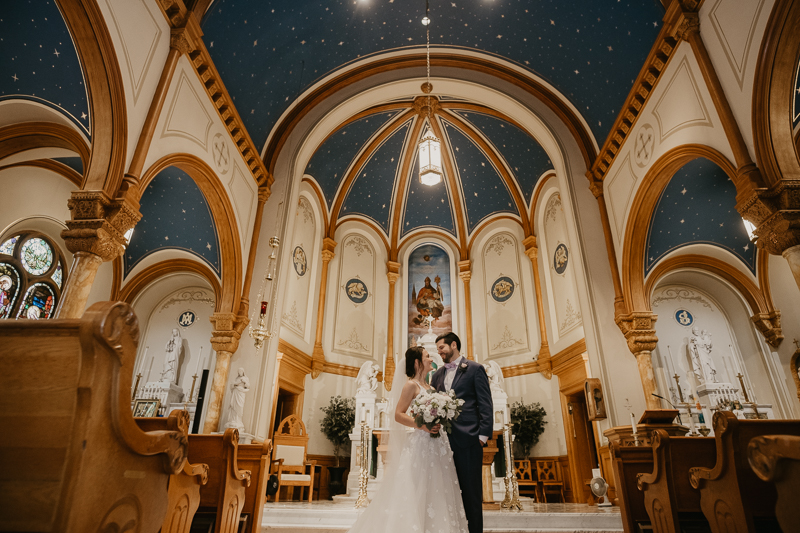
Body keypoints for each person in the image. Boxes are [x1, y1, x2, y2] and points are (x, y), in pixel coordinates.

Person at [348, 346, 468, 533]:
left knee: (437, 487)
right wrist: (422, 425)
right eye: (427, 357)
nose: (431, 359)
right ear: (417, 363)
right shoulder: (411, 385)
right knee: (417, 487)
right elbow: (397, 414)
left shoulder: (431, 387)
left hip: (438, 444)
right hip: (421, 442)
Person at [432, 332, 493, 533]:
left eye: (442, 347)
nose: (439, 352)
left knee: (471, 492)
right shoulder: (437, 375)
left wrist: (482, 437)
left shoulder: (475, 369)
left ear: (454, 345)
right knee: (448, 492)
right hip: (442, 442)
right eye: (438, 348)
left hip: (469, 439)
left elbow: (485, 403)